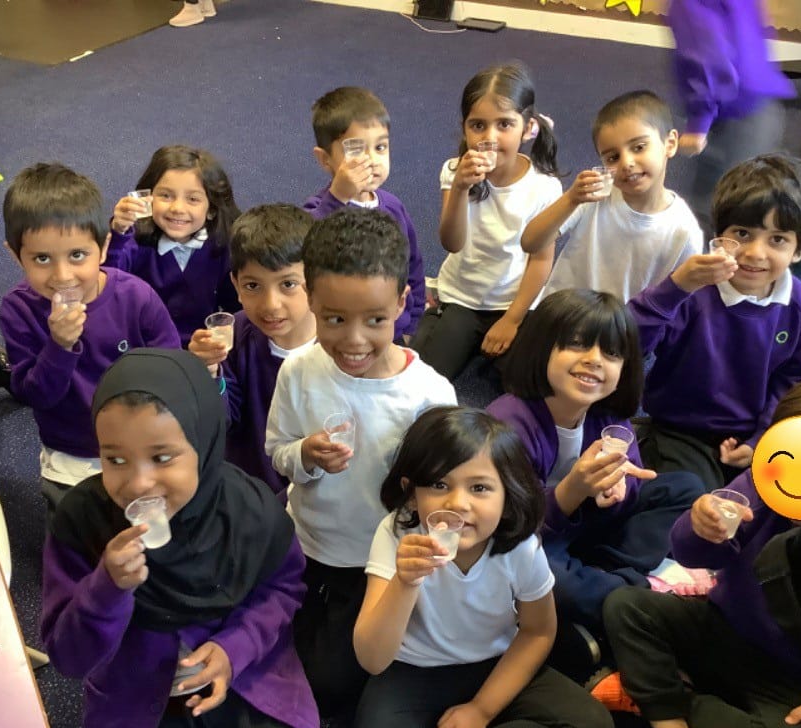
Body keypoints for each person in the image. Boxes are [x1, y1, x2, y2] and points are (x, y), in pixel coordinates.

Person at [41, 348, 321, 728]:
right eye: (115, 459)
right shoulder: (83, 523)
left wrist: (234, 649)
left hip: (245, 672)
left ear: (204, 444)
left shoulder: (249, 512)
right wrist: (107, 588)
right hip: (137, 687)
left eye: (162, 457)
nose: (139, 483)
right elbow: (68, 656)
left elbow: (283, 589)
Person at [594, 371, 801, 728]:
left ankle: (658, 696)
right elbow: (691, 554)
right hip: (722, 627)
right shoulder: (765, 487)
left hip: (795, 680)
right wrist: (697, 527)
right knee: (626, 606)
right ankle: (672, 716)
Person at [265, 207, 456, 713]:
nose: (353, 341)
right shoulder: (299, 371)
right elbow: (277, 451)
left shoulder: (429, 395)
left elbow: (444, 494)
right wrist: (304, 453)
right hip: (306, 542)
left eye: (375, 320)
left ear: (402, 303)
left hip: (377, 561)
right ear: (311, 301)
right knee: (267, 649)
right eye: (333, 319)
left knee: (333, 684)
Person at [351, 406, 616, 728]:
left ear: (507, 495)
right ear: (412, 493)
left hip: (492, 663)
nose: (458, 504)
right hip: (412, 669)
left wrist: (481, 711)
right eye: (439, 485)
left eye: (479, 488)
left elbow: (538, 632)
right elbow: (372, 658)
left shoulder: (519, 546)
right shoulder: (397, 534)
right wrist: (405, 582)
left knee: (591, 727)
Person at [487, 289, 703, 675]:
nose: (594, 361)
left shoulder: (610, 418)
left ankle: (611, 591)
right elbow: (509, 526)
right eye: (575, 345)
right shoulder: (509, 423)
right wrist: (573, 489)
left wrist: (619, 490)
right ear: (541, 348)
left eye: (612, 353)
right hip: (533, 537)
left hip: (588, 530)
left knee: (685, 487)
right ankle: (635, 604)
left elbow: (631, 479)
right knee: (547, 577)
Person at [630, 154, 801, 492]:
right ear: (719, 235)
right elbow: (625, 343)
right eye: (743, 234)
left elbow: (796, 380)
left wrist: (762, 437)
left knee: (791, 499)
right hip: (681, 429)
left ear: (800, 250)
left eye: (777, 239)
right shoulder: (692, 289)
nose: (755, 253)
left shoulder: (799, 303)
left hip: (754, 433)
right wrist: (674, 288)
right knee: (689, 500)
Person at [0, 163, 180, 511]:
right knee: (76, 540)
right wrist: (60, 346)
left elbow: (171, 369)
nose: (62, 276)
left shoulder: (135, 296)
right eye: (41, 258)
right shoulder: (18, 310)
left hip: (138, 443)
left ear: (104, 244)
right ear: (14, 254)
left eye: (78, 255)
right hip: (71, 452)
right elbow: (36, 394)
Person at [412, 62, 561, 380]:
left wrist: (512, 319)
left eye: (504, 124)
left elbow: (541, 259)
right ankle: (435, 315)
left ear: (528, 128)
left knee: (531, 380)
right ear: (465, 128)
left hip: (512, 302)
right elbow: (451, 243)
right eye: (478, 125)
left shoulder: (544, 187)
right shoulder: (454, 171)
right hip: (463, 297)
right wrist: (461, 188)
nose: (489, 138)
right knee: (427, 377)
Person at [523, 90, 702, 304]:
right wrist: (571, 198)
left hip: (621, 332)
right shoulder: (594, 197)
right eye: (612, 157)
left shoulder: (684, 231)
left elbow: (679, 302)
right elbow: (531, 242)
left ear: (670, 143)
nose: (626, 163)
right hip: (562, 316)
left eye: (639, 147)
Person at [188, 204, 316, 496]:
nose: (270, 304)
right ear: (235, 283)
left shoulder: (339, 342)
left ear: (316, 277)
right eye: (253, 286)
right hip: (250, 493)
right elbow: (220, 421)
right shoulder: (234, 337)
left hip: (319, 500)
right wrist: (208, 372)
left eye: (288, 284)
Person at [304, 86, 426, 343]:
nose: (372, 159)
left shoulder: (393, 206)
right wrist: (338, 198)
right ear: (326, 160)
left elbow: (412, 264)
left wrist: (410, 322)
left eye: (380, 147)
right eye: (357, 149)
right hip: (342, 331)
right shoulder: (320, 208)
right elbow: (302, 245)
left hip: (391, 327)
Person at [667, 0, 794, 236]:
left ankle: (707, 255)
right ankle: (781, 236)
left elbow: (707, 55)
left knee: (715, 199)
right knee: (760, 178)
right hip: (760, 93)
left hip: (731, 106)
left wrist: (699, 121)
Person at [109, 144, 242, 346]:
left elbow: (237, 305)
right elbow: (108, 282)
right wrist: (119, 232)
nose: (177, 208)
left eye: (193, 199)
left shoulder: (224, 247)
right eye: (165, 195)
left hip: (200, 349)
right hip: (143, 346)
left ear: (212, 210)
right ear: (148, 199)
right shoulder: (134, 241)